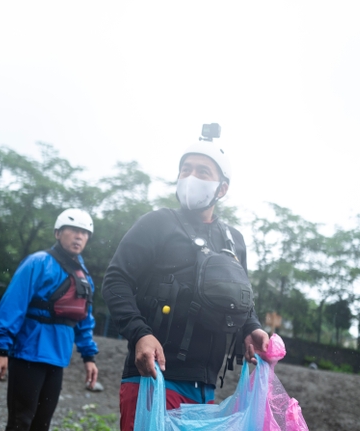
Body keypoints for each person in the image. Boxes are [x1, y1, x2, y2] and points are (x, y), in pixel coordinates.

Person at [102, 133, 270, 431]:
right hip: (153, 378)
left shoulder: (234, 240)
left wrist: (251, 328)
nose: (191, 177)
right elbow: (116, 280)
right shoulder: (156, 223)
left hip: (205, 388)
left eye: (203, 171)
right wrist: (140, 333)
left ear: (223, 187)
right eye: (186, 169)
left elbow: (241, 299)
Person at [0, 208, 99, 431]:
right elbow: (12, 305)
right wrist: (0, 351)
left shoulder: (83, 276)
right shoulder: (38, 262)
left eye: (84, 233)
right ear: (58, 233)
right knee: (21, 422)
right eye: (74, 230)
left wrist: (89, 356)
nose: (79, 236)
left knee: (42, 424)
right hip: (29, 353)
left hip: (57, 359)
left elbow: (84, 319)